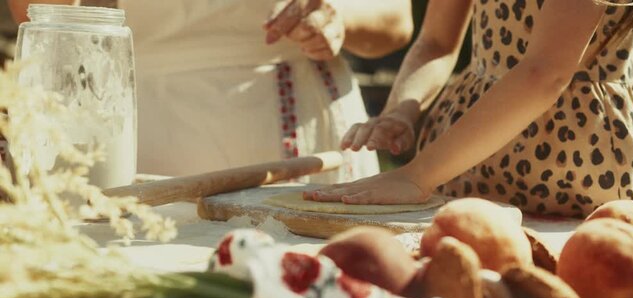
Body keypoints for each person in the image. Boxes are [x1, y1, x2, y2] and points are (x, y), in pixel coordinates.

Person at [8, 0, 414, 182]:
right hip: (149, 131)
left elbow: (397, 20)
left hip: (302, 127)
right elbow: (39, 12)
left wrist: (339, 16)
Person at [306, 0, 633, 218]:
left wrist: (416, 175)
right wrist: (400, 111)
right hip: (463, 156)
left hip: (574, 157)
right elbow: (435, 44)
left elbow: (544, 74)